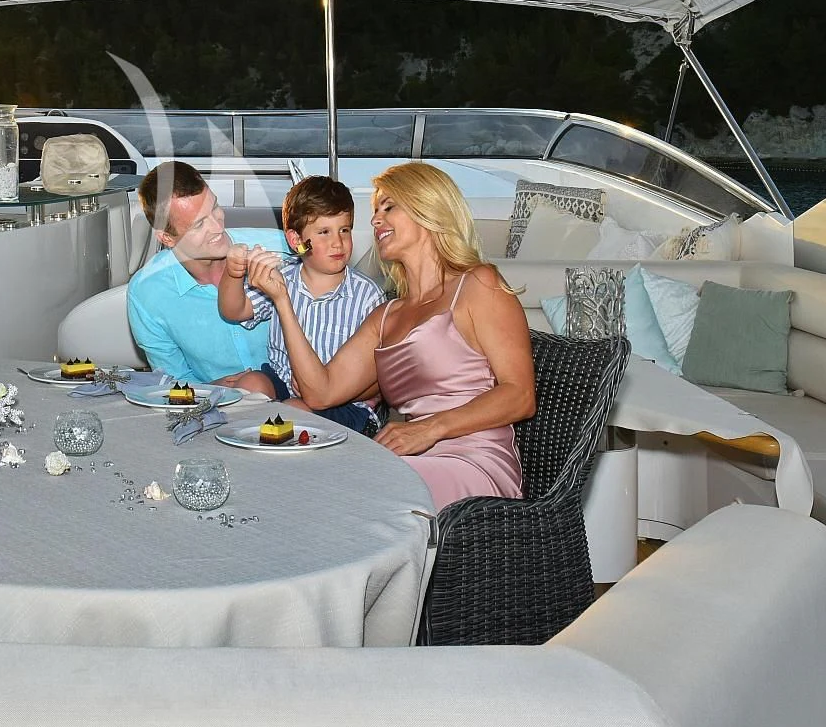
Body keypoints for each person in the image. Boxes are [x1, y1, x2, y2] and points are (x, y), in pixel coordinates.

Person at [275, 162, 535, 508]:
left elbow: (520, 395)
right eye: (375, 210)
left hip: (473, 463)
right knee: (313, 481)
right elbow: (320, 392)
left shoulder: (478, 284)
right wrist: (282, 300)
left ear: (427, 208)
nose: (375, 220)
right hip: (409, 461)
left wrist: (430, 429)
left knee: (348, 492)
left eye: (389, 207)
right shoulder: (385, 317)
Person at [218, 176, 386, 436]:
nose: (337, 242)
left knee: (294, 410)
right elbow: (233, 311)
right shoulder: (282, 278)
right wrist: (232, 273)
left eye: (345, 229)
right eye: (324, 232)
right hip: (284, 383)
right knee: (251, 384)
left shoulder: (367, 296)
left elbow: (380, 373)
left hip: (344, 402)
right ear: (296, 241)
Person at [126, 161, 289, 385]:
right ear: (166, 237)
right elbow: (172, 382)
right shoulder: (146, 293)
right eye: (199, 224)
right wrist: (214, 390)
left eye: (214, 208)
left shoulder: (282, 250)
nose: (217, 227)